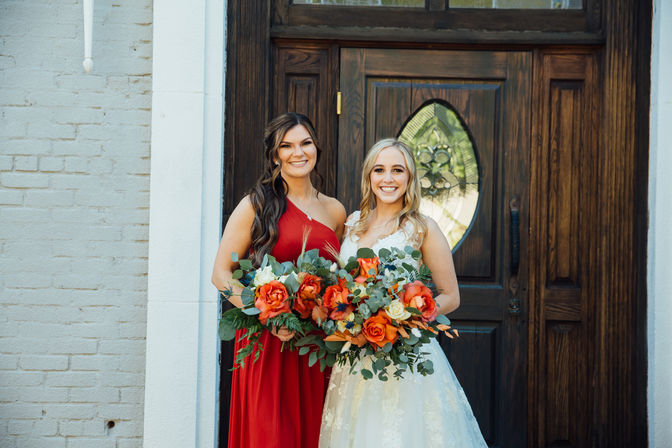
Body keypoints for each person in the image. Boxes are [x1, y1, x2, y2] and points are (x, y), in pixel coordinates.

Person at [319, 138, 487, 447]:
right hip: (355, 353)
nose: (388, 179)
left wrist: (402, 320)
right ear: (369, 176)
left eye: (398, 170)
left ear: (409, 177)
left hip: (404, 355)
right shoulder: (352, 224)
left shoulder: (422, 228)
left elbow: (451, 296)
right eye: (380, 170)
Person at [212, 112, 346, 448]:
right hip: (269, 343)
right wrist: (266, 315)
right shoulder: (255, 205)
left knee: (316, 433)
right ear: (275, 155)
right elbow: (220, 274)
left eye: (305, 143)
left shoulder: (335, 211)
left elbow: (337, 280)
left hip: (316, 343)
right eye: (286, 146)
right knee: (272, 436)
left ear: (316, 148)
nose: (298, 152)